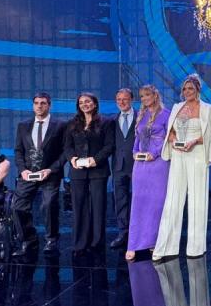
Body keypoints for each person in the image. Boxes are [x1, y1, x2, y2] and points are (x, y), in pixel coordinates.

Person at [152, 74, 211, 261]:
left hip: (197, 154)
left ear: (197, 89)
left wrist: (194, 141)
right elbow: (171, 130)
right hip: (178, 155)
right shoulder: (177, 107)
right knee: (173, 198)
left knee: (197, 200)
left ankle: (195, 247)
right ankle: (166, 246)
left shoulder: (209, 109)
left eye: (190, 88)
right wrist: (173, 140)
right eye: (185, 89)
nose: (187, 92)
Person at [11, 92, 67, 256]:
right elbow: (18, 151)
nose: (39, 106)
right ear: (33, 105)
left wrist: (51, 169)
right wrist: (23, 170)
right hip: (28, 173)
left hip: (50, 173)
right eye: (36, 103)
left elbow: (65, 152)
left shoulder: (60, 125)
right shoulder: (23, 125)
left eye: (43, 103)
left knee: (48, 204)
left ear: (49, 105)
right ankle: (28, 240)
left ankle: (51, 240)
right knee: (17, 207)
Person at [64, 92, 115, 254]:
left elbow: (109, 145)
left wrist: (96, 159)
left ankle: (97, 243)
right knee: (79, 206)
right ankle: (80, 243)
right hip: (77, 171)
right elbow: (67, 146)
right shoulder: (71, 124)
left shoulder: (106, 122)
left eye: (87, 101)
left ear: (95, 103)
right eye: (81, 102)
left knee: (98, 206)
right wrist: (72, 159)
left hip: (98, 170)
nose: (84, 104)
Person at [125, 85, 171, 262]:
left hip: (158, 164)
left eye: (147, 95)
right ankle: (134, 244)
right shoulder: (141, 114)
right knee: (139, 203)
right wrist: (134, 152)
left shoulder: (166, 114)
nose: (144, 98)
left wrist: (155, 153)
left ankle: (155, 242)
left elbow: (169, 139)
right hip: (141, 165)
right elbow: (137, 137)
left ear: (155, 95)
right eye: (142, 96)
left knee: (157, 204)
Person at [111, 88, 136, 249]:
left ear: (131, 100)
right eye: (119, 99)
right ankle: (123, 232)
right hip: (118, 166)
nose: (122, 102)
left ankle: (139, 233)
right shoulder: (112, 121)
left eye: (125, 99)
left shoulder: (142, 117)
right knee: (120, 200)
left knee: (139, 200)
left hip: (138, 165)